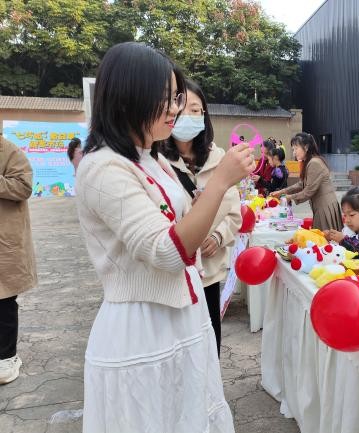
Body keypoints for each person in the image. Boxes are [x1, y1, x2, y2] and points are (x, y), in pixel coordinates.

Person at [75, 42, 253, 432]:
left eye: (176, 98)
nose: (174, 109)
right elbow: (168, 251)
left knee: (187, 414)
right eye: (166, 99)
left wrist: (217, 210)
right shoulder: (103, 168)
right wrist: (220, 182)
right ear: (126, 99)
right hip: (142, 327)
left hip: (182, 314)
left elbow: (186, 226)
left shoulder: (152, 159)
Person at [159, 78, 241, 356]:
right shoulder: (158, 161)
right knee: (179, 347)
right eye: (181, 108)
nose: (188, 116)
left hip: (208, 272)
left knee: (208, 344)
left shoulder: (220, 159)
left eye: (196, 110)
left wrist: (218, 237)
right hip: (174, 275)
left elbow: (234, 212)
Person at [0, 137, 37, 385]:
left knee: (3, 302)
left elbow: (23, 187)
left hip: (4, 241)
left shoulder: (10, 151)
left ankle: (6, 358)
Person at [271, 132, 343, 231]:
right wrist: (282, 192)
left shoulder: (314, 163)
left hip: (324, 207)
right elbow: (301, 183)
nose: (294, 153)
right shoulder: (310, 161)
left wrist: (289, 197)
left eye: (296, 149)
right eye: (293, 149)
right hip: (322, 206)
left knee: (325, 240)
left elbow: (308, 191)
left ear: (306, 147)